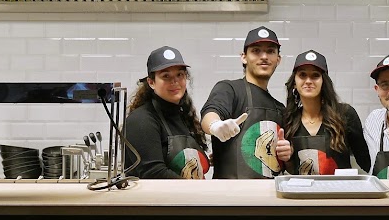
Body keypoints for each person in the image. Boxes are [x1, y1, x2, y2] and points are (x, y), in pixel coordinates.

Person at [201, 26, 292, 178]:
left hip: (270, 196)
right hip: (232, 196)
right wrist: (215, 126)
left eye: (270, 51)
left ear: (278, 59)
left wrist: (286, 153)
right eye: (256, 51)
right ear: (244, 57)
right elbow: (210, 113)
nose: (264, 56)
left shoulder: (280, 108)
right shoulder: (229, 88)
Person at [124, 46, 210, 179]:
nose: (174, 81)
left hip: (188, 198)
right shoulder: (141, 120)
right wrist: (197, 189)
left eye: (179, 75)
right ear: (151, 82)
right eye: (166, 76)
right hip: (156, 199)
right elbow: (153, 172)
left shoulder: (184, 116)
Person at [283, 49, 371, 174]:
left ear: (323, 82)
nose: (308, 81)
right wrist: (287, 159)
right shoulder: (288, 119)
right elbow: (291, 169)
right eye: (302, 75)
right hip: (303, 192)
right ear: (294, 83)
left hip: (340, 191)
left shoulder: (345, 114)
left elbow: (366, 162)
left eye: (315, 75)